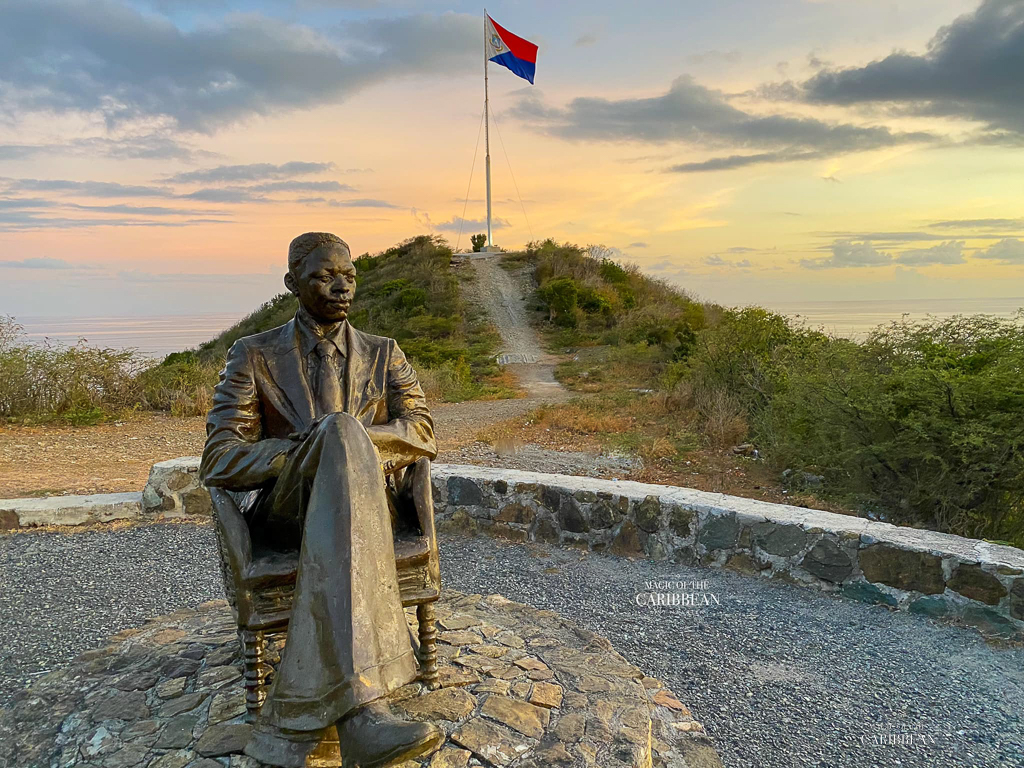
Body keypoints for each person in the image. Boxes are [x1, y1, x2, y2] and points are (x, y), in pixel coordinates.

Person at [201, 232, 443, 768]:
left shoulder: (385, 353)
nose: (341, 285)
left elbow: (422, 431)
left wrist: (348, 443)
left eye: (349, 275)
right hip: (289, 513)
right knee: (334, 433)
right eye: (323, 276)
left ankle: (348, 711)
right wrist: (314, 447)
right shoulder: (254, 354)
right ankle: (362, 712)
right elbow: (219, 458)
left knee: (341, 433)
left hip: (371, 508)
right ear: (292, 283)